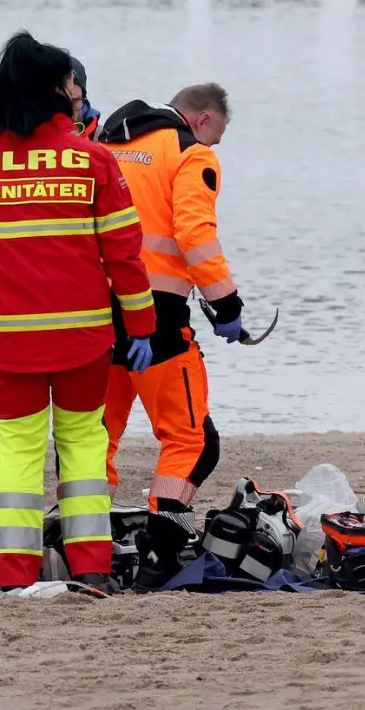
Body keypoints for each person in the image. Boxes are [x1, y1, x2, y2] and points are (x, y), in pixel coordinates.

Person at [0, 31, 157, 592]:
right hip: (83, 339)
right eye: (69, 82)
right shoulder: (94, 160)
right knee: (83, 445)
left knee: (17, 449)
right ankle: (91, 570)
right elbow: (125, 259)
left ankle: (15, 576)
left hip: (7, 343)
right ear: (56, 90)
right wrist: (141, 327)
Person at [96, 84, 248, 589]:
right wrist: (226, 303)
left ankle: (86, 546)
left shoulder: (105, 142)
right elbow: (194, 231)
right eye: (217, 137)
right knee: (193, 440)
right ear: (203, 121)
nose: (215, 148)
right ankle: (161, 553)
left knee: (95, 438)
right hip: (157, 316)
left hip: (94, 312)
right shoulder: (189, 152)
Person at [0, 53, 98, 313]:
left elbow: (121, 242)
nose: (70, 108)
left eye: (76, 99)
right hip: (14, 306)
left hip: (86, 306)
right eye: (63, 98)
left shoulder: (101, 152)